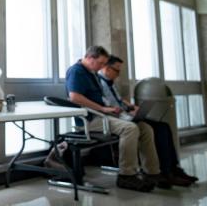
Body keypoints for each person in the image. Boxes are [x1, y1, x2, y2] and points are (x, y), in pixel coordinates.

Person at [65, 45, 162, 192]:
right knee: (130, 129)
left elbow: (101, 98)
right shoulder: (76, 71)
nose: (103, 67)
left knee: (145, 128)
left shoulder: (93, 73)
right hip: (89, 120)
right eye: (101, 63)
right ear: (90, 58)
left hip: (102, 115)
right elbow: (75, 97)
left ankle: (152, 172)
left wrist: (112, 108)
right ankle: (126, 175)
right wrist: (103, 109)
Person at [97, 55, 198, 187]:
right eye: (116, 70)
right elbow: (109, 106)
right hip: (118, 119)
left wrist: (131, 107)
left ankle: (174, 168)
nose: (118, 74)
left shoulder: (110, 83)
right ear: (106, 68)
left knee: (164, 126)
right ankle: (165, 172)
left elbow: (119, 100)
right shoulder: (100, 83)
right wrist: (126, 111)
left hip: (124, 115)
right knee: (158, 130)